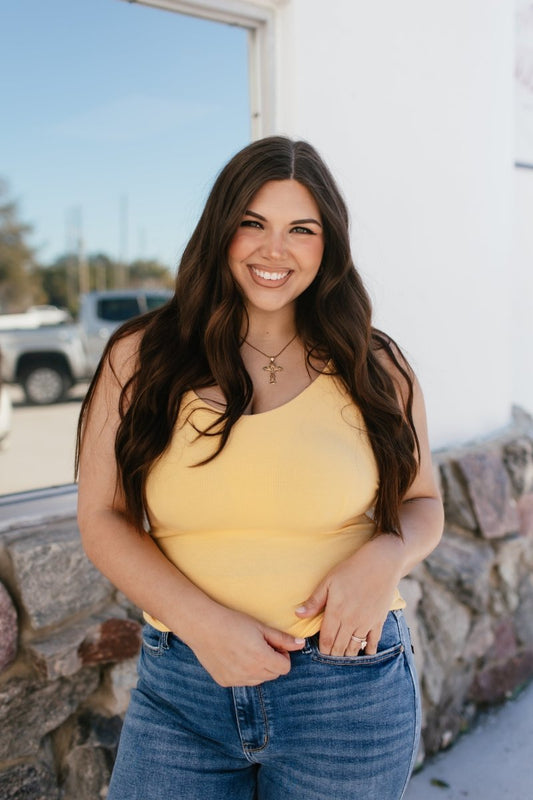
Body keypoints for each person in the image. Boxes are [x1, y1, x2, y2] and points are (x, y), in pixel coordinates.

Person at [76, 136, 443, 800]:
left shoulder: (376, 365)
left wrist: (386, 554)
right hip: (184, 687)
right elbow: (103, 518)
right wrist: (202, 624)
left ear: (328, 245)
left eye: (301, 229)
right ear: (221, 230)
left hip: (345, 689)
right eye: (253, 223)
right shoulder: (140, 356)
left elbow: (424, 503)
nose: (275, 250)